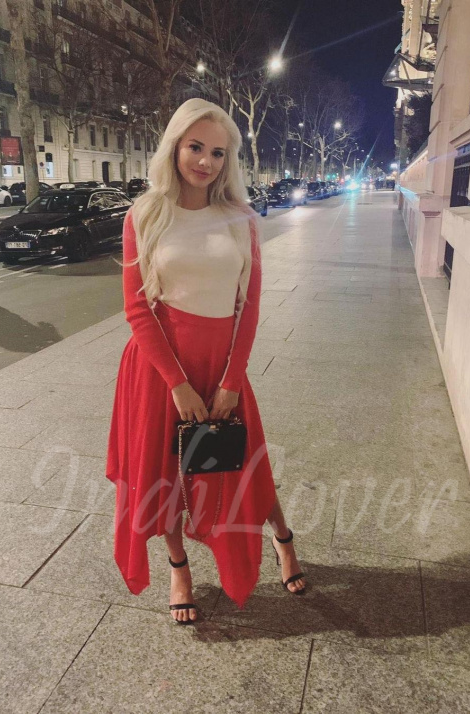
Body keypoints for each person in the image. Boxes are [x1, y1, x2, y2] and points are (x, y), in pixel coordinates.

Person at [106, 98, 306, 625]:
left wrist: (232, 378)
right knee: (166, 474)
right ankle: (179, 568)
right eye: (196, 147)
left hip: (222, 366)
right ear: (174, 146)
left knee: (244, 465)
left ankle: (283, 538)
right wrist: (177, 383)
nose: (206, 162)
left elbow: (249, 306)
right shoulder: (144, 214)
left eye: (218, 153)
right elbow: (136, 308)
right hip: (159, 368)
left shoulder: (240, 219)